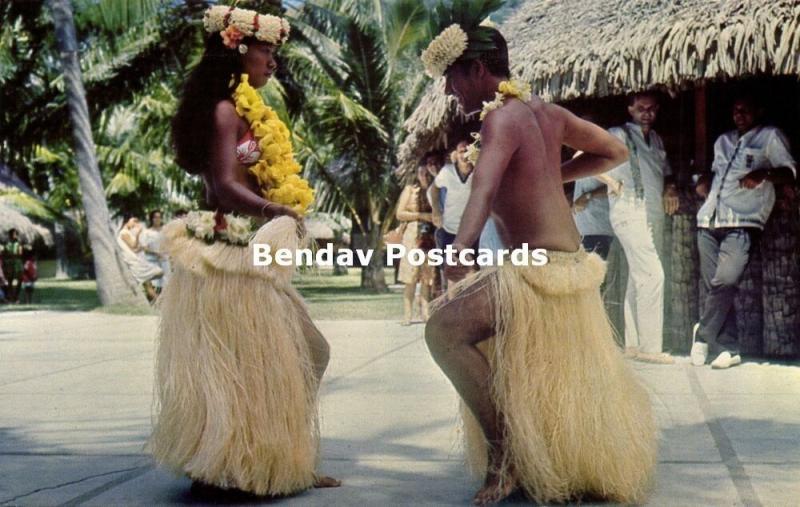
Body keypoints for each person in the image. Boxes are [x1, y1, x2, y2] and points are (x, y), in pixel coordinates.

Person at [420, 13, 656, 506]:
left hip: (537, 267)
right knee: (516, 359)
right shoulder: (546, 112)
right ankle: (537, 455)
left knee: (444, 331)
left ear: (479, 70)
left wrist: (457, 255)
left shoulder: (499, 117)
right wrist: (554, 174)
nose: (448, 90)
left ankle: (505, 459)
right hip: (567, 264)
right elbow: (614, 151)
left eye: (452, 77)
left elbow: (481, 190)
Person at [148, 5, 339, 496]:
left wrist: (273, 209)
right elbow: (223, 184)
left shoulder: (249, 108)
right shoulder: (224, 111)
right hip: (227, 252)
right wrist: (273, 208)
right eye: (266, 50)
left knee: (305, 352)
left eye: (276, 52)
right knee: (238, 365)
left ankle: (280, 458)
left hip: (250, 245)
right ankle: (224, 466)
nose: (274, 61)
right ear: (236, 47)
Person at [691, 96, 796, 369]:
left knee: (726, 280)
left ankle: (702, 335)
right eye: (735, 109)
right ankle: (728, 348)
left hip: (742, 222)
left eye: (746, 109)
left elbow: (791, 172)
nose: (739, 114)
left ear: (759, 110)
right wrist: (703, 181)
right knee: (713, 285)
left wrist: (764, 175)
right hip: (709, 221)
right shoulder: (722, 141)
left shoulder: (770, 137)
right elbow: (715, 174)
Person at [602, 92, 679, 364]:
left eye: (651, 109)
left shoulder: (656, 139)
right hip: (629, 211)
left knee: (638, 277)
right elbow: (584, 154)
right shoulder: (618, 133)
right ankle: (650, 347)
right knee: (653, 275)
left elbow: (665, 170)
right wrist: (611, 183)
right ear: (630, 109)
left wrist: (670, 186)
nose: (646, 113)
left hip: (652, 213)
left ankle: (634, 345)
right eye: (640, 108)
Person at [395, 164, 437, 325]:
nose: (423, 175)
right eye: (421, 172)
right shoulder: (410, 190)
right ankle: (407, 315)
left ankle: (425, 313)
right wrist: (421, 216)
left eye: (426, 172)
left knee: (427, 276)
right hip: (412, 235)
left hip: (429, 236)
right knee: (410, 276)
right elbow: (399, 213)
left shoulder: (435, 189)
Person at [117, 215, 162, 302]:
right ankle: (159, 303)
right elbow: (133, 245)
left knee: (148, 284)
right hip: (134, 262)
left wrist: (141, 247)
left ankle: (156, 302)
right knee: (159, 273)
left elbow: (135, 249)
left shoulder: (127, 233)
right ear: (127, 221)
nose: (134, 224)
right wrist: (138, 234)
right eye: (133, 221)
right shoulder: (124, 233)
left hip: (136, 259)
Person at [140, 210, 169, 291]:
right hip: (152, 262)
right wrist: (155, 253)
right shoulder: (146, 232)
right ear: (151, 219)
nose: (157, 219)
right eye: (155, 217)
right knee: (154, 285)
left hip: (164, 262)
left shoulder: (165, 231)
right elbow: (144, 248)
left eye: (159, 217)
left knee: (166, 285)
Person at [3, 228, 23, 302]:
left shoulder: (19, 243)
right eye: (14, 234)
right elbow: (5, 253)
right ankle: (11, 297)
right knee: (10, 280)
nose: (15, 235)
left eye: (16, 234)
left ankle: (16, 296)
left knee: (20, 279)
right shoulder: (7, 243)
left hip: (17, 263)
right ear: (10, 235)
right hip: (10, 263)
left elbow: (20, 253)